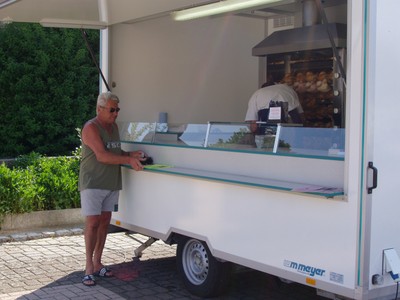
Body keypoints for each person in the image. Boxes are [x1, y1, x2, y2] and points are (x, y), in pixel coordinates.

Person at [79, 91, 146, 287]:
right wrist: (128, 160)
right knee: (92, 223)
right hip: (93, 182)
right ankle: (88, 268)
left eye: (117, 109)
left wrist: (130, 154)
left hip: (111, 182)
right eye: (112, 109)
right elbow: (102, 155)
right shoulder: (90, 128)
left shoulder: (114, 127)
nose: (116, 113)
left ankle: (98, 262)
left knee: (104, 222)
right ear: (99, 109)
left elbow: (114, 152)